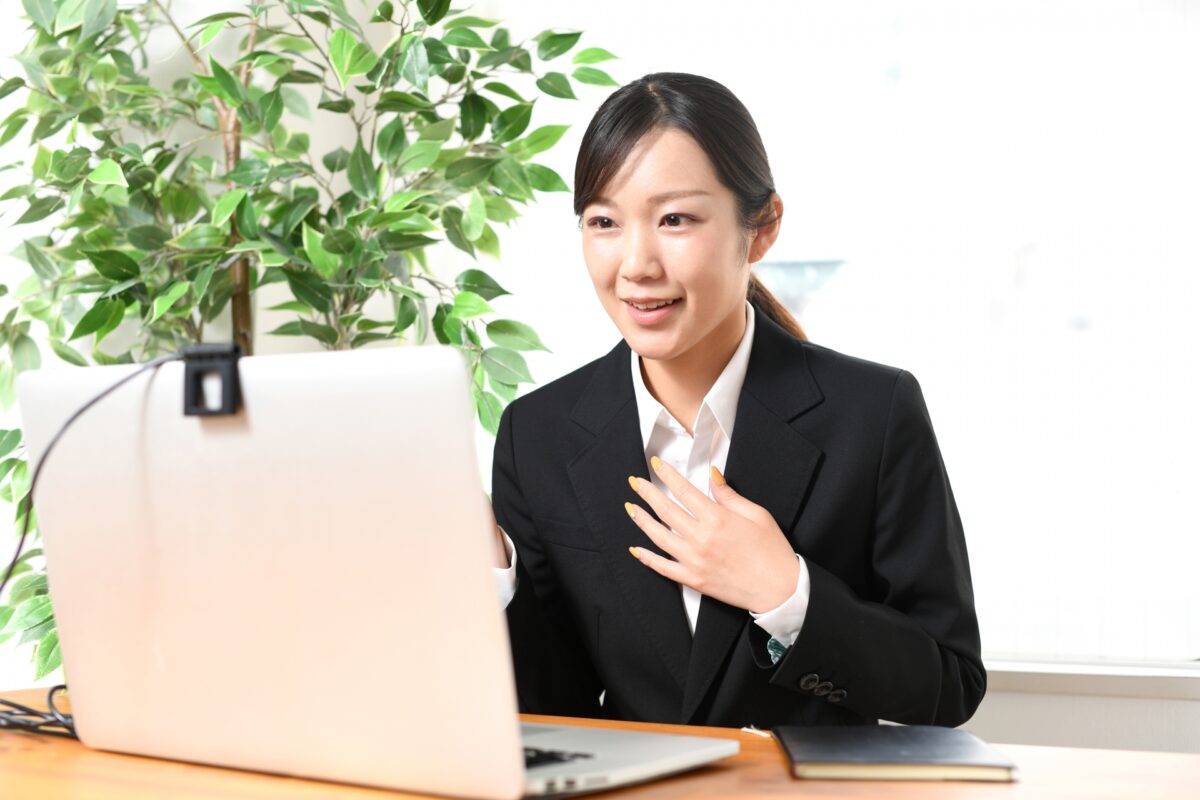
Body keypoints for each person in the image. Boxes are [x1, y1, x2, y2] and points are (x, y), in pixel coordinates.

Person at [485, 72, 984, 729]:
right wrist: (496, 580)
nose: (636, 263)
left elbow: (947, 686)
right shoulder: (539, 435)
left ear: (763, 228)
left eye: (675, 220)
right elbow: (556, 711)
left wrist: (786, 594)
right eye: (603, 221)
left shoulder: (874, 413)